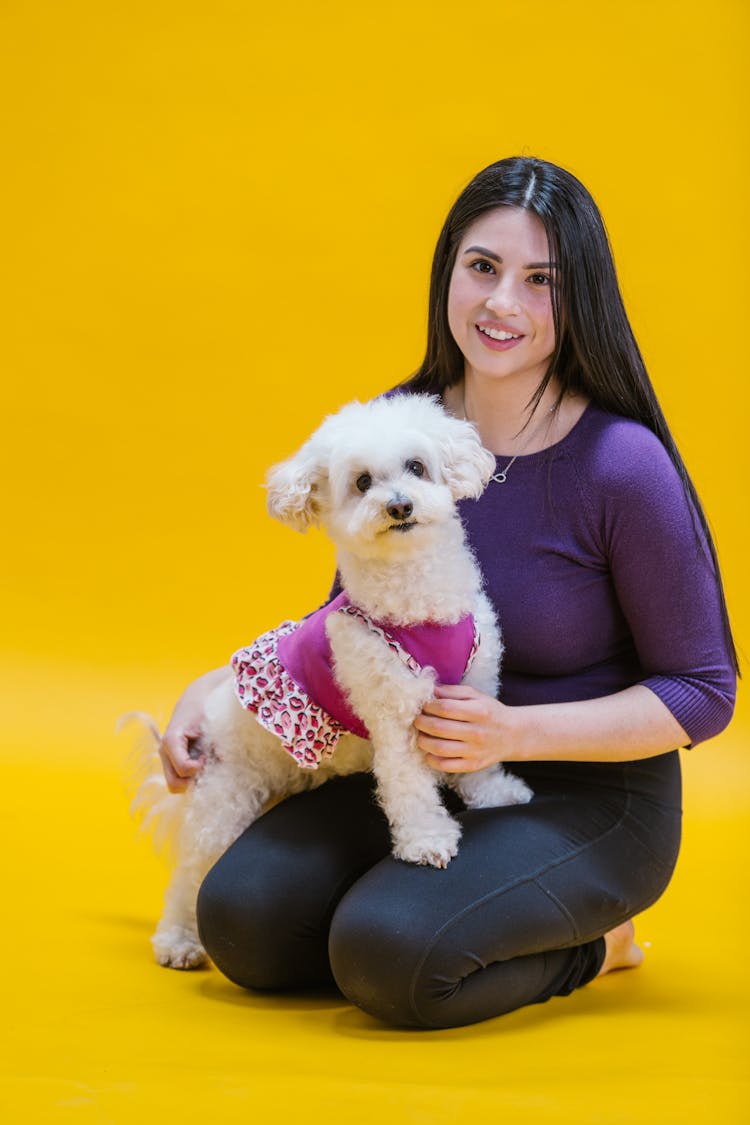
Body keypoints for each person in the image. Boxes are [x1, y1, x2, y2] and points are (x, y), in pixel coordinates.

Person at [158, 157, 737, 1029]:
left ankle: (599, 938)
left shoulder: (621, 465)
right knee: (242, 921)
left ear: (580, 298)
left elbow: (704, 689)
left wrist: (514, 730)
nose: (503, 302)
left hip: (591, 793)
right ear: (448, 274)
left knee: (390, 956)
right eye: (483, 267)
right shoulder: (401, 422)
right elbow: (351, 625)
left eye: (541, 280)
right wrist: (212, 689)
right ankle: (445, 900)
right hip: (419, 763)